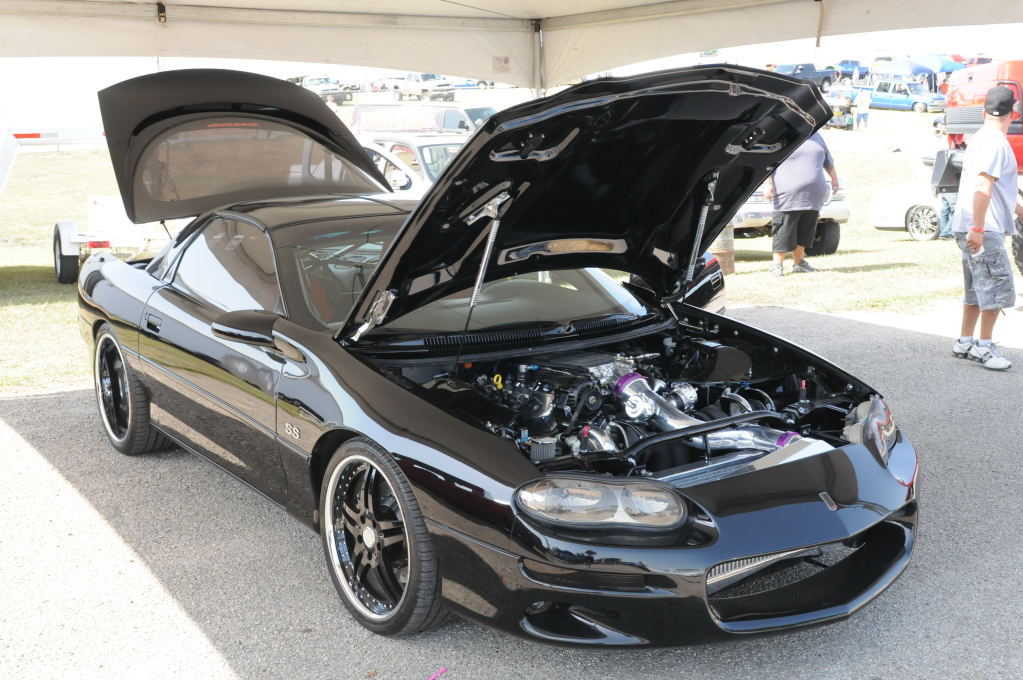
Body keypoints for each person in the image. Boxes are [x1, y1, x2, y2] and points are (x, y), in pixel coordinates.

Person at [950, 85, 1023, 370]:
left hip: (970, 225)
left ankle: (965, 340)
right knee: (997, 287)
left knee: (975, 288)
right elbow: (983, 184)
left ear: (984, 112)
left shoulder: (980, 137)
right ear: (1013, 112)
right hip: (983, 229)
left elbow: (998, 190)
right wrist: (978, 229)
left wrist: (1019, 211)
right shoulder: (996, 142)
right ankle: (985, 346)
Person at [764, 132, 840, 276]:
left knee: (805, 231)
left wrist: (834, 179)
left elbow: (828, 162)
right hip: (786, 195)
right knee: (783, 231)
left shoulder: (817, 136)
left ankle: (799, 264)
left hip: (813, 196)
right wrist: (767, 184)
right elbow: (768, 162)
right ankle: (777, 266)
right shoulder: (782, 135)